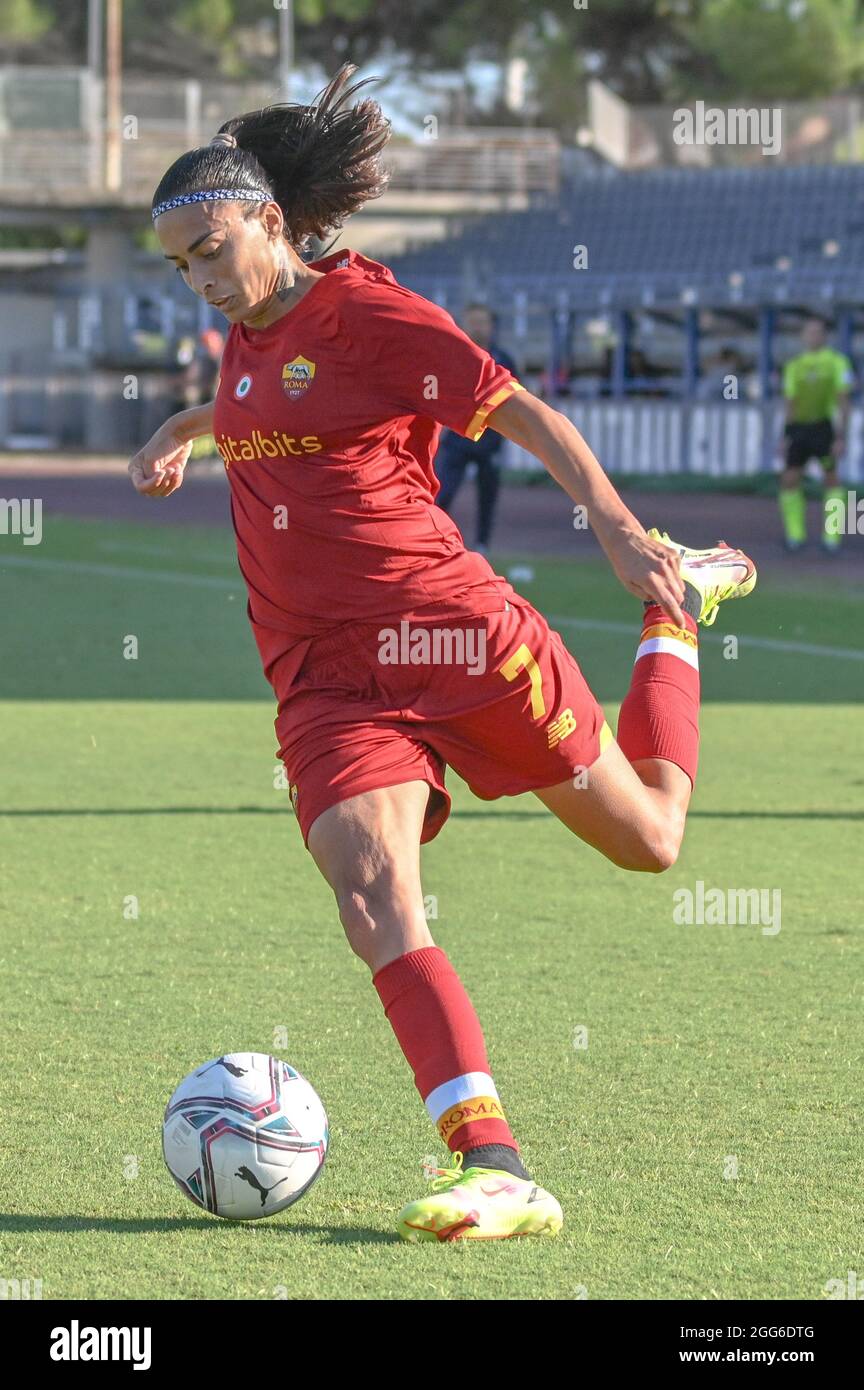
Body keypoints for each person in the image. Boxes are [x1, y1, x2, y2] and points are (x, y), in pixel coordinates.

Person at [129, 65, 757, 1243]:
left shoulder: (371, 316)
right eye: (181, 266)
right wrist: (178, 426)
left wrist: (621, 536)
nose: (201, 281)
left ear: (269, 220)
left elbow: (523, 410)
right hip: (321, 679)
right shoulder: (249, 335)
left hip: (456, 638)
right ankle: (495, 1163)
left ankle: (674, 612)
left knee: (652, 840)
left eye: (211, 249)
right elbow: (270, 411)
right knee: (373, 893)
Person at [433, 304, 517, 554]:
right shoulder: (452, 354)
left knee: (487, 497)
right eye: (473, 321)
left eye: (483, 322)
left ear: (491, 326)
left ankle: (482, 546)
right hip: (457, 440)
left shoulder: (503, 359)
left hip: (488, 443)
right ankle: (435, 542)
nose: (478, 327)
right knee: (443, 492)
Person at [778, 318, 853, 553]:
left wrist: (841, 436)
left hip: (823, 429)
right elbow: (790, 403)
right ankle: (795, 535)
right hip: (800, 430)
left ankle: (832, 537)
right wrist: (786, 435)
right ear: (803, 337)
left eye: (817, 332)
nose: (813, 336)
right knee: (790, 479)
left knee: (831, 478)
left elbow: (843, 402)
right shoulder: (794, 366)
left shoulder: (837, 362)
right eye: (809, 332)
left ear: (824, 336)